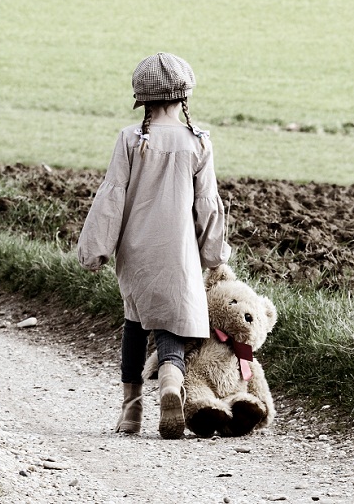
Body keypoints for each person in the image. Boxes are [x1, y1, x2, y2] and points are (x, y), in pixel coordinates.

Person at [77, 52, 231, 439]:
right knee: (173, 325)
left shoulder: (131, 138)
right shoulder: (198, 143)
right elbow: (207, 204)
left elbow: (111, 196)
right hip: (180, 253)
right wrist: (214, 254)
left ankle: (131, 413)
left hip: (136, 252)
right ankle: (169, 384)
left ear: (142, 99)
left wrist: (95, 247)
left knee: (135, 322)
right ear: (184, 98)